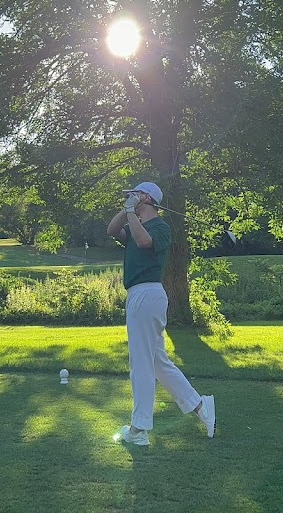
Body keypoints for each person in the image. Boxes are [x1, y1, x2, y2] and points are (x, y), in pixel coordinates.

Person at [107, 181, 215, 446]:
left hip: (148, 293)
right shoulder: (134, 225)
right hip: (140, 296)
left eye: (135, 194)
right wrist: (127, 209)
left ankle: (139, 429)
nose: (130, 197)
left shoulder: (160, 227)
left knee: (141, 364)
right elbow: (111, 230)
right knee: (157, 363)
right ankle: (200, 406)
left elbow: (145, 242)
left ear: (147, 197)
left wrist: (132, 212)